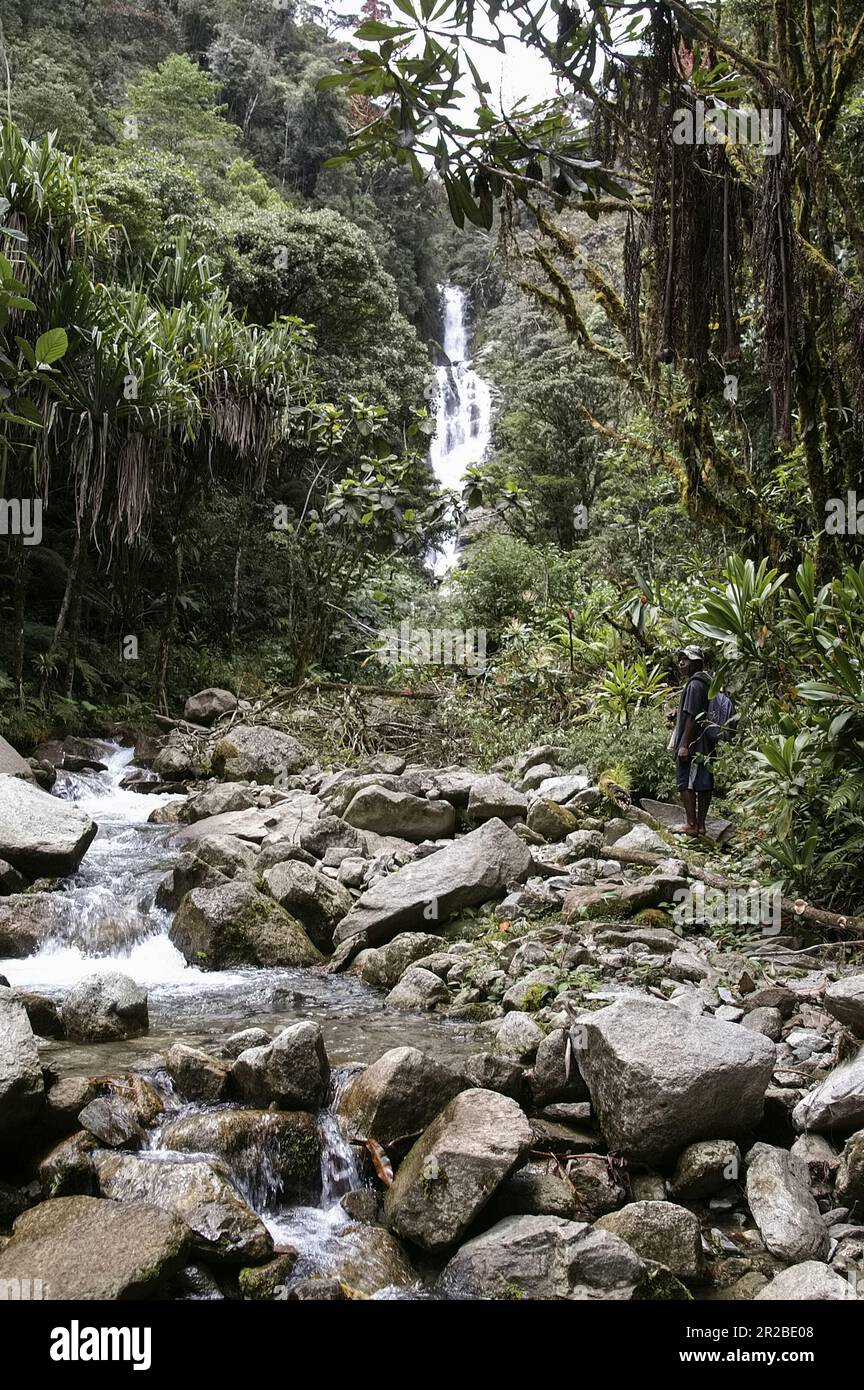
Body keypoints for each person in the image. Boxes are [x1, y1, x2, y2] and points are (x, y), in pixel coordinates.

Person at [669, 644, 713, 836]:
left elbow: (693, 715)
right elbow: (697, 710)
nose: (681, 663)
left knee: (685, 780)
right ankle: (701, 826)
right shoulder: (706, 682)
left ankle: (692, 825)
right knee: (704, 781)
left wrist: (684, 745)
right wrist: (677, 713)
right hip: (705, 740)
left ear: (696, 663)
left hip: (694, 743)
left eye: (685, 660)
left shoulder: (695, 685)